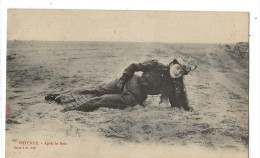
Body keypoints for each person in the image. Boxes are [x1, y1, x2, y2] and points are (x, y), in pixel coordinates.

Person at [45, 54, 197, 112]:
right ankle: (60, 97)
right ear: (172, 64)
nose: (177, 72)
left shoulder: (174, 85)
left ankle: (68, 108)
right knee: (97, 89)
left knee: (100, 100)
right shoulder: (156, 64)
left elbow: (179, 101)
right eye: (177, 68)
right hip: (128, 81)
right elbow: (133, 66)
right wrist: (122, 81)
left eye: (181, 72)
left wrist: (187, 107)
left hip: (134, 97)